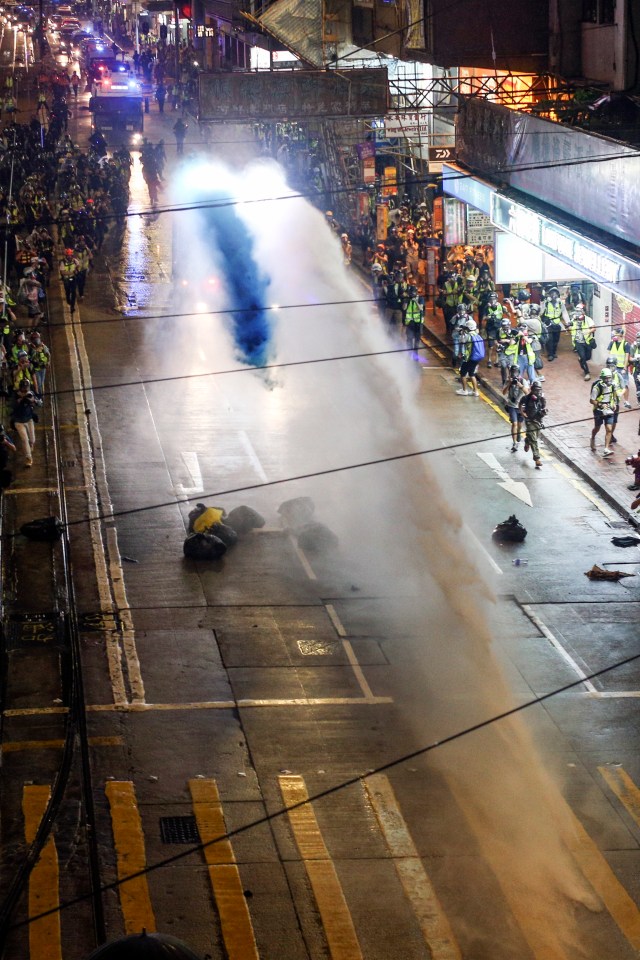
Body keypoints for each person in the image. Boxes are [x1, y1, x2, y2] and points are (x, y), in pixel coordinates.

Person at [590, 367, 618, 457]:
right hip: (598, 410)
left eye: (609, 377)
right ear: (602, 378)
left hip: (609, 410)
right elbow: (591, 400)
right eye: (606, 378)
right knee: (597, 428)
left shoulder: (613, 386)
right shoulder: (597, 387)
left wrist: (613, 404)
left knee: (609, 429)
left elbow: (614, 397)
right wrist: (600, 405)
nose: (608, 380)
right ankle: (593, 437)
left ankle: (606, 449)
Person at [12, 379, 40, 467]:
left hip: (29, 420)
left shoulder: (30, 394)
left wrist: (34, 401)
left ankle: (31, 445)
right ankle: (28, 458)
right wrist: (21, 400)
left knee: (32, 440)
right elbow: (13, 406)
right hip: (18, 421)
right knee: (24, 440)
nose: (25, 389)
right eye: (23, 388)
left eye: (26, 388)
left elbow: (40, 403)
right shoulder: (15, 395)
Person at [519, 382, 546, 469]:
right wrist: (522, 413)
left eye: (539, 390)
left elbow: (543, 409)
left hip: (538, 422)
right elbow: (520, 404)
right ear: (532, 390)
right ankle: (537, 459)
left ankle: (527, 442)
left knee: (533, 437)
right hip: (529, 421)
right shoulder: (526, 398)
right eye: (536, 390)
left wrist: (543, 413)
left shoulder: (542, 399)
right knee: (534, 440)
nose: (537, 392)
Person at [503, 364, 529, 452]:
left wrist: (520, 385)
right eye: (512, 372)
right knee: (514, 424)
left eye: (515, 372)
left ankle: (518, 434)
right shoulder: (508, 381)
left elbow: (527, 392)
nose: (514, 374)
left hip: (520, 407)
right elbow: (503, 392)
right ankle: (514, 443)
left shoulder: (523, 381)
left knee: (519, 426)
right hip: (512, 406)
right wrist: (509, 384)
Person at [456, 318, 484, 396]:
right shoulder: (477, 335)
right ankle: (475, 391)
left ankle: (464, 390)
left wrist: (462, 333)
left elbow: (461, 341)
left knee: (463, 373)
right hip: (477, 358)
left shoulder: (468, 336)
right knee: (472, 373)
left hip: (469, 358)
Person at [569, 302, 595, 381]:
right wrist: (570, 327)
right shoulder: (574, 319)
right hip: (578, 342)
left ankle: (581, 360)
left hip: (587, 342)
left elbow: (594, 328)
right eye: (576, 311)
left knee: (588, 357)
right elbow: (570, 326)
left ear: (583, 311)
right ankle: (587, 373)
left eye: (579, 311)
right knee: (583, 357)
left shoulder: (588, 319)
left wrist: (587, 332)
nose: (578, 312)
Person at [607, 326, 632, 408]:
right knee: (613, 384)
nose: (614, 336)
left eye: (615, 334)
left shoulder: (626, 344)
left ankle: (626, 401)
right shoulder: (612, 343)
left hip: (622, 368)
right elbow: (609, 354)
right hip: (613, 368)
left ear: (619, 335)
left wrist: (625, 368)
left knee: (625, 385)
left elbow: (626, 357)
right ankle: (613, 401)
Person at [540, 286, 566, 361]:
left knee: (556, 340)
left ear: (558, 295)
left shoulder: (560, 303)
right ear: (549, 295)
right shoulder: (546, 303)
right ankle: (550, 354)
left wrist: (568, 322)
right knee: (549, 339)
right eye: (552, 293)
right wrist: (542, 303)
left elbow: (564, 313)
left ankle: (554, 352)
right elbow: (541, 312)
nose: (554, 295)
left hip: (557, 324)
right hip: (548, 324)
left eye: (555, 294)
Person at [482, 292, 503, 368]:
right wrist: (488, 317)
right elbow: (483, 318)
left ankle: (497, 361)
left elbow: (505, 314)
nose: (492, 301)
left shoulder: (500, 306)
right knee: (491, 346)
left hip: (499, 327)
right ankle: (489, 360)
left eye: (494, 299)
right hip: (491, 328)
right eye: (491, 299)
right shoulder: (486, 307)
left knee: (499, 344)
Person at [403, 285, 424, 354]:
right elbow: (404, 308)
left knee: (417, 339)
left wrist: (415, 301)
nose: (411, 294)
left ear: (416, 292)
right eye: (410, 293)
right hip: (409, 322)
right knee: (409, 338)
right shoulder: (408, 299)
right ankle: (410, 352)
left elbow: (420, 308)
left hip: (418, 322)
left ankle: (416, 352)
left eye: (413, 292)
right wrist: (405, 300)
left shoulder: (420, 298)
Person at [59, 248, 79, 313]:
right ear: (66, 255)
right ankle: (68, 299)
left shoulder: (75, 261)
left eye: (70, 255)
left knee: (73, 292)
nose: (69, 257)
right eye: (68, 255)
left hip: (73, 278)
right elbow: (62, 272)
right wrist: (72, 272)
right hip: (66, 279)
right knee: (67, 291)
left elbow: (78, 266)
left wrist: (76, 270)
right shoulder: (62, 262)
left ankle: (72, 306)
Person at [628, 331, 640, 404]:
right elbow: (630, 359)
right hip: (637, 369)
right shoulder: (633, 346)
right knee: (638, 386)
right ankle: (639, 401)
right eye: (638, 338)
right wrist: (636, 359)